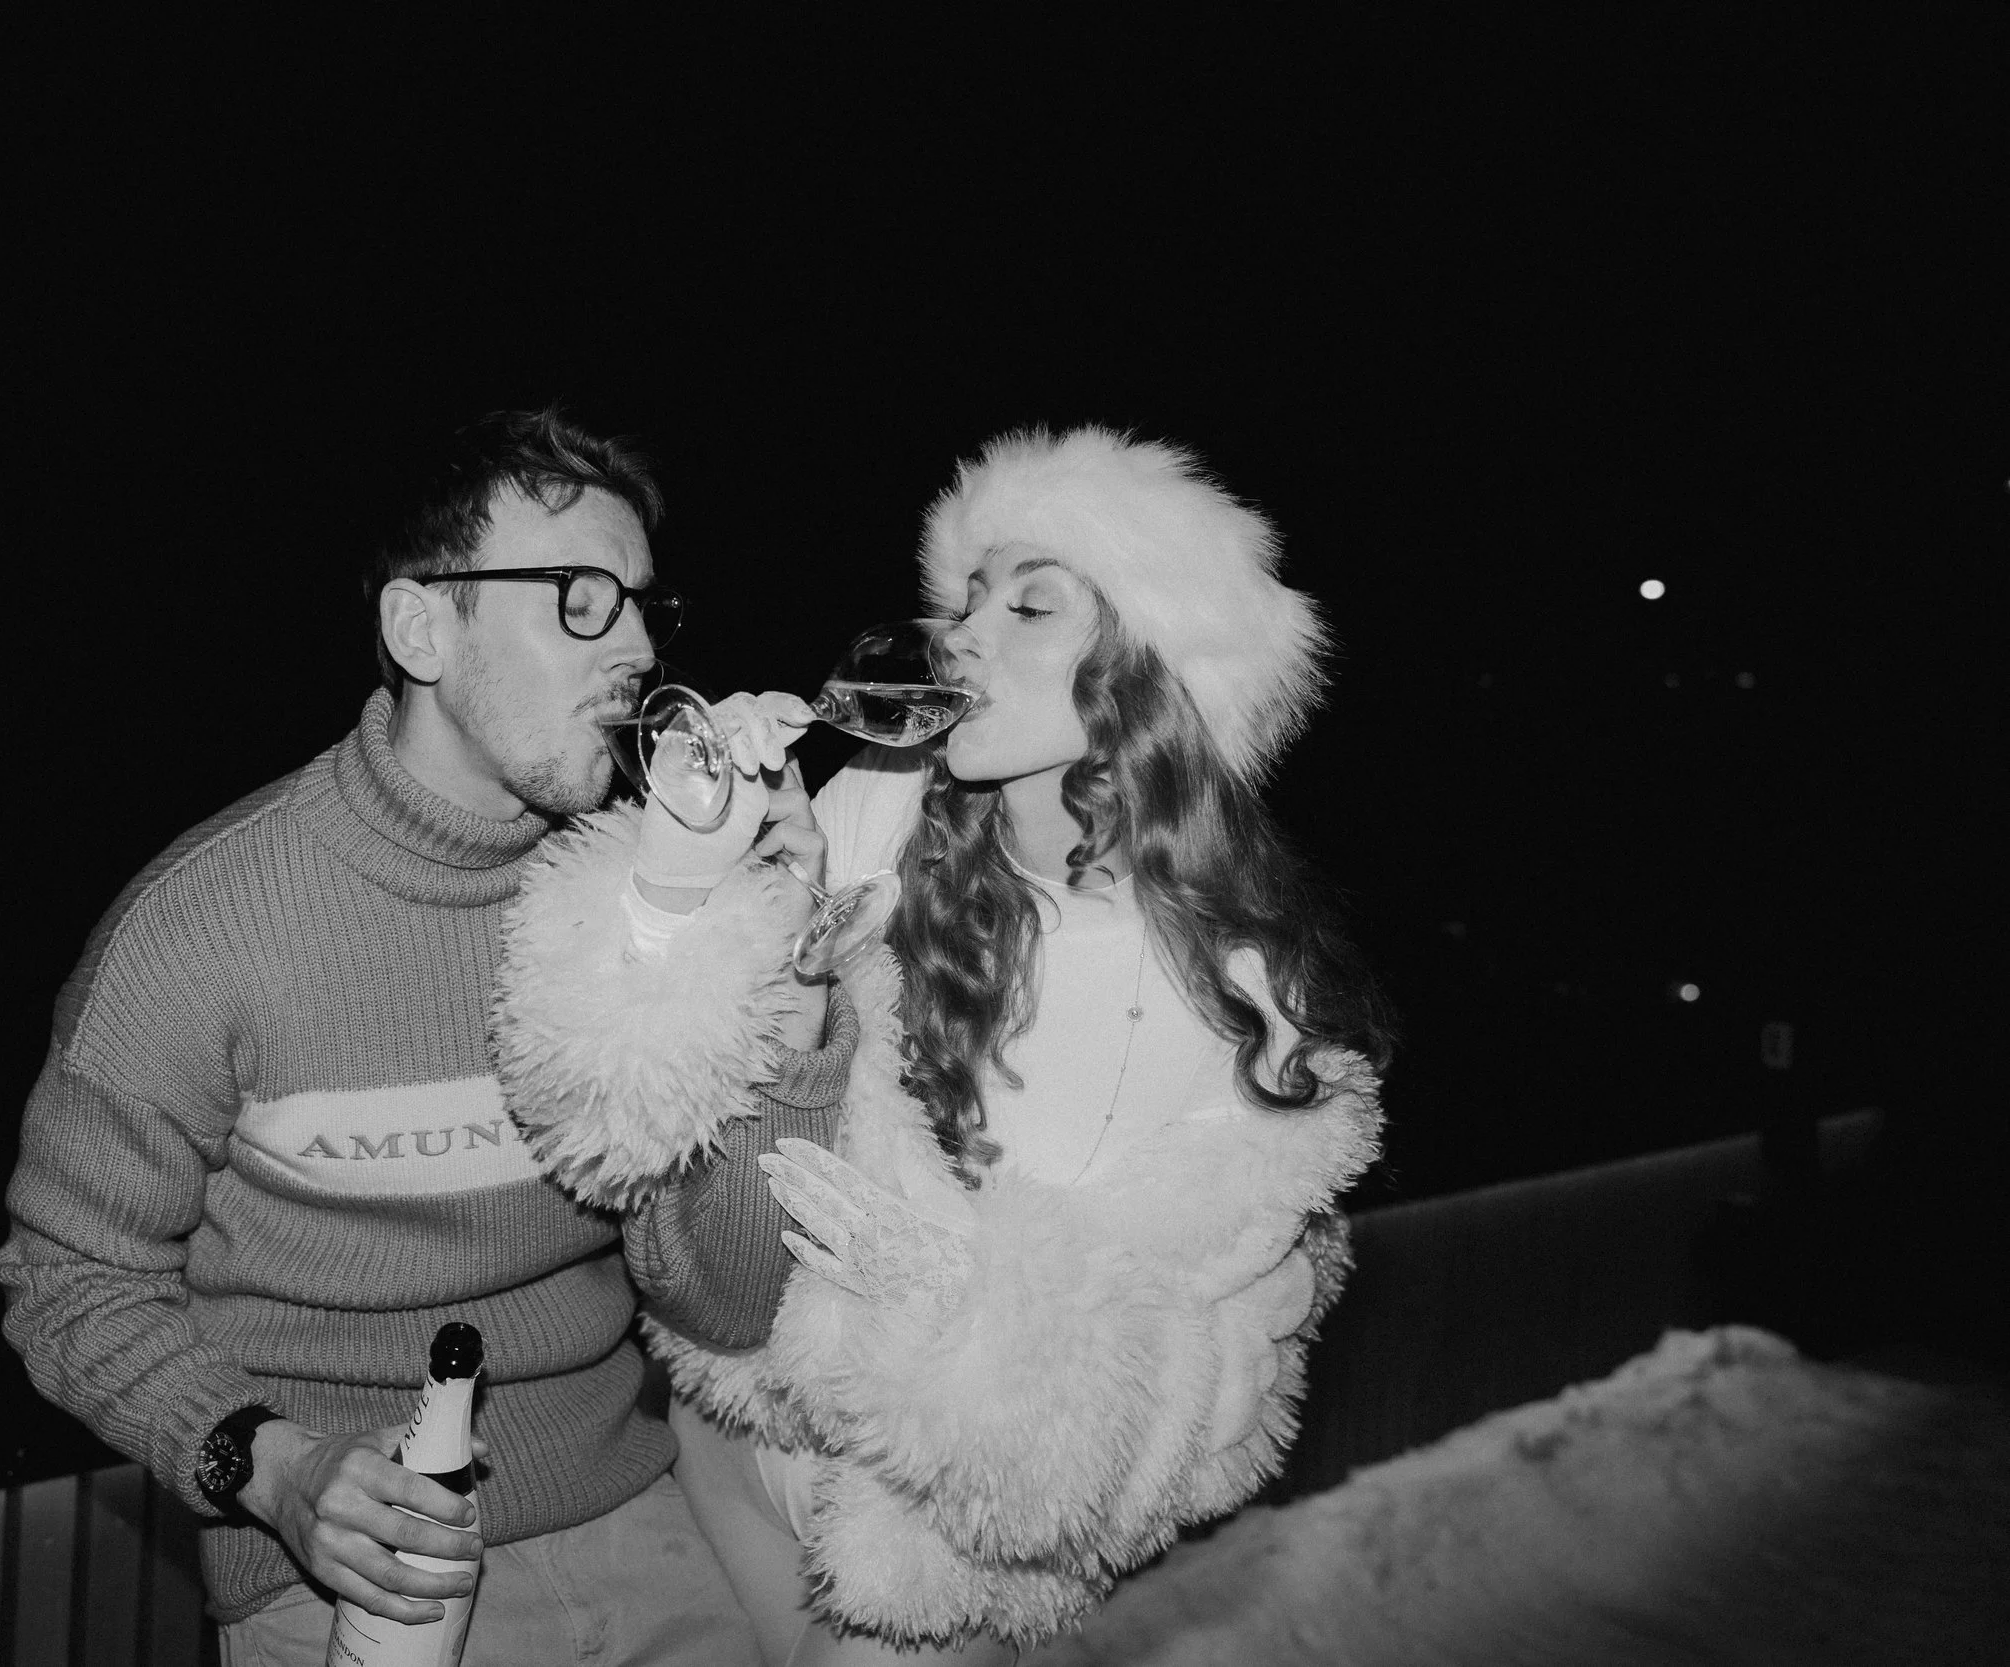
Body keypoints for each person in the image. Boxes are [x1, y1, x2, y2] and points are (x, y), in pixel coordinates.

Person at [493, 427, 1391, 1662]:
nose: (964, 631)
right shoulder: (878, 806)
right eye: (966, 597)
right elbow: (625, 1111)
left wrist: (946, 1311)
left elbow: (1198, 1415)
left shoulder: (1242, 995)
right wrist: (692, 878)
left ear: (1147, 672)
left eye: (1029, 604)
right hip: (725, 1440)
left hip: (931, 1542)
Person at [0, 408, 857, 1667]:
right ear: (420, 628)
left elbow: (724, 1297)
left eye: (640, 608)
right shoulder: (207, 930)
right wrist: (271, 1468)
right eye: (576, 595)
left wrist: (779, 971)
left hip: (636, 1518)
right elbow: (68, 1280)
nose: (628, 646)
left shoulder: (641, 898)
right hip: (343, 1571)